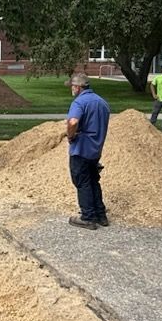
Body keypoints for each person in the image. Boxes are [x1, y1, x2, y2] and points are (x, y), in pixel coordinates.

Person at [65, 72, 111, 228]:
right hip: (95, 150)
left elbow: (73, 122)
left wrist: (70, 136)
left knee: (82, 182)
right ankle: (100, 215)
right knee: (93, 180)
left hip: (81, 149)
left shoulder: (79, 103)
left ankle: (88, 217)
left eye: (72, 86)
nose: (71, 89)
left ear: (78, 87)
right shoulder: (102, 102)